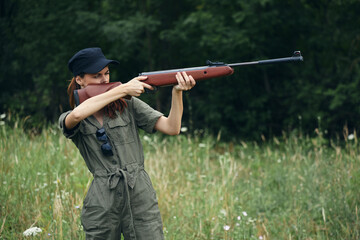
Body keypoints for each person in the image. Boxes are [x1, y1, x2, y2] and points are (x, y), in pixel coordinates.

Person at [59, 47, 195, 239]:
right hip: (102, 199)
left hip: (139, 192)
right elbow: (79, 113)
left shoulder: (127, 104)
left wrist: (177, 92)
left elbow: (172, 128)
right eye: (97, 76)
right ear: (79, 80)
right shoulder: (71, 117)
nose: (105, 80)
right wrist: (123, 88)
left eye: (107, 74)